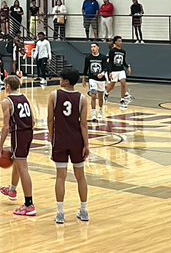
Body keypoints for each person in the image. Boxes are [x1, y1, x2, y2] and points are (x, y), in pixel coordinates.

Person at [48, 68, 91, 224]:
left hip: (60, 140)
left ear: (65, 81)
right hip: (76, 141)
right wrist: (86, 144)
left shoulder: (54, 95)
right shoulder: (82, 99)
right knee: (81, 176)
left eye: (61, 78)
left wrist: (52, 138)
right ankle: (84, 210)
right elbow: (83, 124)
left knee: (61, 176)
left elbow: (50, 120)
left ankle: (60, 213)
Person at [0, 74, 36, 216]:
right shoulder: (24, 97)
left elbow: (6, 127)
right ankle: (12, 189)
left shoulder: (6, 102)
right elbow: (33, 121)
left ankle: (29, 204)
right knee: (18, 162)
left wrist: (0, 146)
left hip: (19, 134)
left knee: (23, 168)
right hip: (28, 133)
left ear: (7, 86)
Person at [84, 42, 109, 123]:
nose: (92, 48)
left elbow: (105, 67)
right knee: (93, 96)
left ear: (98, 48)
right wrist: (84, 79)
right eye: (91, 47)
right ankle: (93, 113)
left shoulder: (103, 57)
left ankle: (101, 109)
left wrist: (102, 74)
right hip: (92, 79)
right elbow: (85, 68)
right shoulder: (88, 57)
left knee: (100, 98)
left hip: (101, 80)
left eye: (94, 46)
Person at [106, 36, 133, 108]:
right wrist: (110, 72)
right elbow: (111, 62)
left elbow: (123, 62)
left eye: (121, 41)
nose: (121, 42)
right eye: (119, 41)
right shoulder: (112, 51)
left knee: (123, 83)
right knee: (112, 85)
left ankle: (122, 100)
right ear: (115, 42)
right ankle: (106, 93)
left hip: (121, 70)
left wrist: (128, 67)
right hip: (114, 71)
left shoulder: (123, 51)